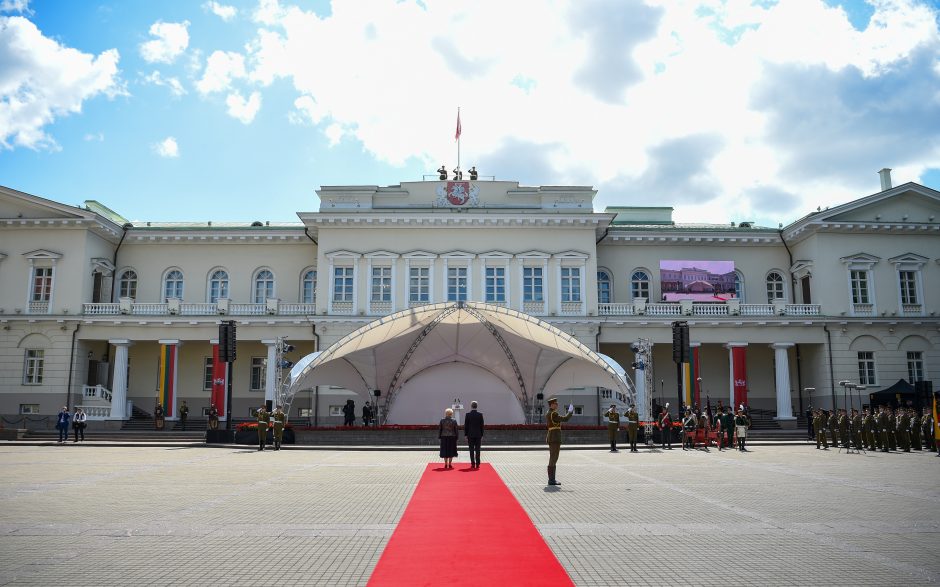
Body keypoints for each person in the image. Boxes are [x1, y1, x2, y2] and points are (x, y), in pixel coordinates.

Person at [545, 397, 573, 486]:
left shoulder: (549, 413)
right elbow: (565, 419)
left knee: (553, 457)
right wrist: (570, 412)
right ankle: (551, 480)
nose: (557, 405)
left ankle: (552, 479)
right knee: (554, 458)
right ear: (551, 405)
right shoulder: (553, 413)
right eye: (555, 403)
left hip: (552, 437)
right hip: (555, 438)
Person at [463, 400, 484, 469]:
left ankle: (472, 464)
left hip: (470, 435)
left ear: (471, 406)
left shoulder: (468, 415)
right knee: (478, 449)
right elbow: (482, 426)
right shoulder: (480, 414)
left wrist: (465, 435)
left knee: (471, 449)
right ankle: (477, 464)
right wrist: (482, 435)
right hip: (478, 435)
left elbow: (466, 426)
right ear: (476, 406)